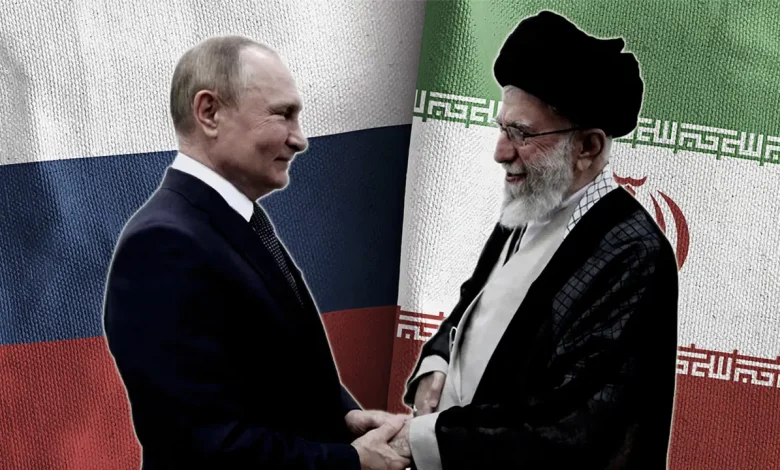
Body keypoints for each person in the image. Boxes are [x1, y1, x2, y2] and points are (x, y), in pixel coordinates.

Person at [102, 35, 409, 470]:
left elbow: (278, 370)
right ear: (209, 112)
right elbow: (199, 446)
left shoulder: (231, 223)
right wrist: (349, 461)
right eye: (283, 114)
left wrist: (346, 420)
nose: (300, 139)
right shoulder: (163, 245)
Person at [389, 10, 679, 470]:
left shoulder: (632, 251)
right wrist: (437, 364)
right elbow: (474, 304)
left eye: (522, 134)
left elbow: (574, 428)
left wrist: (420, 440)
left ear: (588, 147)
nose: (501, 152)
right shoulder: (532, 202)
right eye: (503, 128)